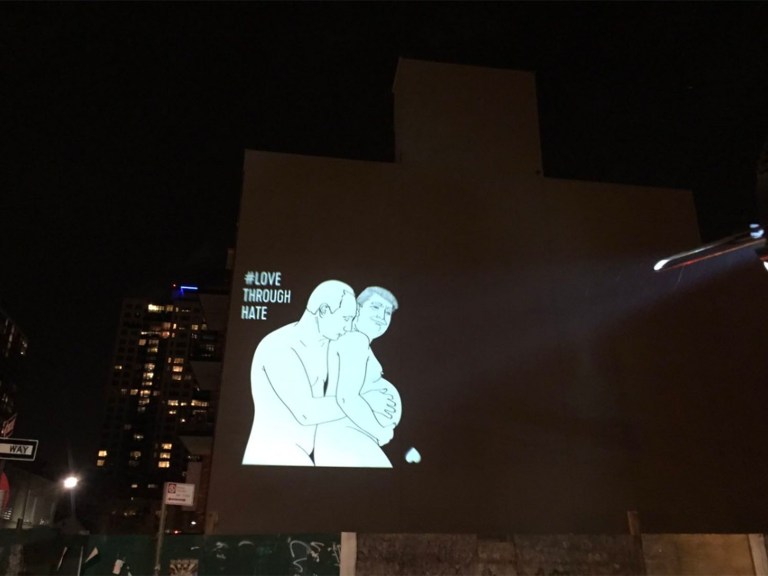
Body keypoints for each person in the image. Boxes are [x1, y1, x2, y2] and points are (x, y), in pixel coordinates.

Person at [242, 280, 395, 466]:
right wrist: (367, 400)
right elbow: (307, 412)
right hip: (273, 454)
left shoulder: (329, 345)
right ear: (323, 310)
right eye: (346, 318)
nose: (349, 326)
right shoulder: (279, 346)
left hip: (303, 457)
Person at [313, 286, 402, 468]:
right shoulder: (355, 340)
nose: (382, 316)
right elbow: (347, 397)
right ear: (357, 309)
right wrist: (380, 431)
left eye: (387, 312)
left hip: (344, 438)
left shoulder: (351, 340)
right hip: (347, 438)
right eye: (376, 307)